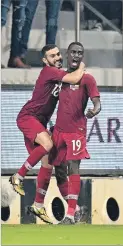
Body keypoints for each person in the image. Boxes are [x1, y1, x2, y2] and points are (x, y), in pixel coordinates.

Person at [9, 45, 86, 197]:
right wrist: (81, 65)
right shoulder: (49, 71)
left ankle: (38, 205)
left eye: (58, 54)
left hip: (39, 122)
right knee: (48, 144)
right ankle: (18, 177)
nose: (57, 57)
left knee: (48, 162)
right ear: (45, 60)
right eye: (52, 56)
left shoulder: (58, 74)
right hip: (28, 117)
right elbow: (75, 78)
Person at [48, 42, 101, 225]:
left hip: (76, 131)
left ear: (82, 56)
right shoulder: (60, 77)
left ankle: (69, 215)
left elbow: (97, 102)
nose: (76, 55)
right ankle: (76, 209)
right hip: (59, 131)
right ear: (67, 54)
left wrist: (95, 109)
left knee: (73, 168)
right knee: (60, 172)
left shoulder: (87, 79)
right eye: (73, 52)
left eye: (80, 53)